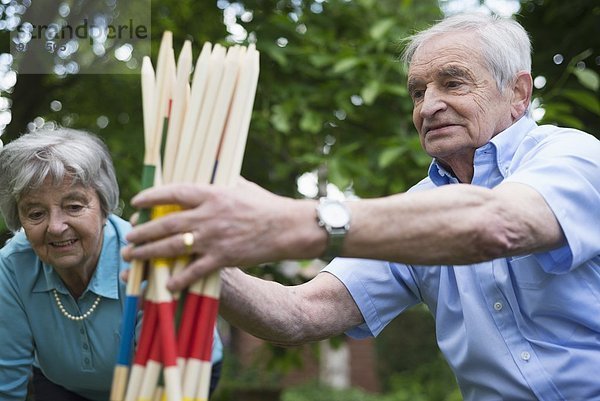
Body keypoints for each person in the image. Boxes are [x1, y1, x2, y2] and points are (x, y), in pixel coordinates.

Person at [122, 12, 600, 400]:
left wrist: (292, 221)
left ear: (518, 93)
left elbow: (496, 223)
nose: (427, 106)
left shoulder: (573, 157)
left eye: (453, 83)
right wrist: (200, 258)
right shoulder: (419, 210)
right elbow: (302, 315)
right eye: (418, 91)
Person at [0, 128, 222, 401]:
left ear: (104, 207)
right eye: (36, 213)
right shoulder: (12, 265)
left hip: (167, 375)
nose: (56, 227)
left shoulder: (147, 260)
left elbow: (159, 379)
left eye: (74, 206)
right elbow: (7, 383)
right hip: (62, 385)